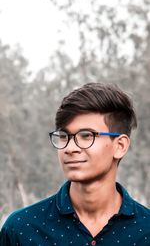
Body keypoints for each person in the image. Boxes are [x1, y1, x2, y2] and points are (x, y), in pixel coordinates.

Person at [0, 82, 150, 246]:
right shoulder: (21, 229)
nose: (70, 148)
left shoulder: (146, 230)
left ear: (120, 146)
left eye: (86, 136)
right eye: (64, 136)